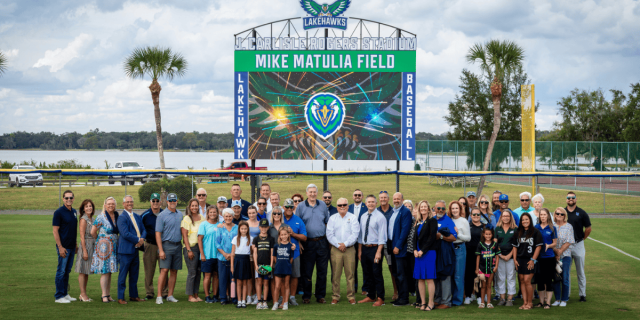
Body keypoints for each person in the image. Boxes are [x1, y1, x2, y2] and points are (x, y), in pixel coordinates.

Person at [295, 184, 330, 304]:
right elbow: (297, 225)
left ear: (317, 193)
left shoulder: (323, 205)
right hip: (307, 243)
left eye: (314, 192)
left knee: (322, 271)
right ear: (307, 193)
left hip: (321, 242)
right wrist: (299, 241)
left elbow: (327, 222)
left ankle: (320, 295)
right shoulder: (301, 206)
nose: (312, 194)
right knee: (307, 271)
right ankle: (307, 295)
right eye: (310, 192)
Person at [326, 197, 360, 305]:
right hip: (336, 249)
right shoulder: (332, 218)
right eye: (340, 205)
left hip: (349, 249)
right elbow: (329, 234)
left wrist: (345, 244)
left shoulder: (353, 218)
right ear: (337, 207)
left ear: (347, 206)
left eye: (344, 205)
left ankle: (351, 296)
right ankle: (335, 296)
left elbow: (355, 234)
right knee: (336, 274)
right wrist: (338, 245)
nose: (342, 207)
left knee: (350, 274)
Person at [357, 195, 387, 307]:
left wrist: (379, 252)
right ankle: (370, 296)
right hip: (364, 248)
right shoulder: (363, 216)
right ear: (366, 203)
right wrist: (360, 251)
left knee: (377, 273)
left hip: (375, 248)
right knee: (367, 273)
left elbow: (382, 236)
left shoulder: (380, 217)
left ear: (376, 203)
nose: (370, 204)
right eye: (368, 202)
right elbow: (360, 235)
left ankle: (380, 298)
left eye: (373, 202)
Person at [116, 195, 146, 304]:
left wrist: (142, 238)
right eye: (127, 202)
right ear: (123, 204)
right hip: (125, 252)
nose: (130, 203)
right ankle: (121, 297)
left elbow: (143, 229)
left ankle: (134, 296)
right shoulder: (122, 217)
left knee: (134, 275)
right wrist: (138, 239)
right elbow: (125, 234)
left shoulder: (137, 217)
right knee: (123, 275)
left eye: (131, 202)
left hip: (135, 251)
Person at [510, 213, 543, 310]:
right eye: (523, 220)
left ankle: (530, 302)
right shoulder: (518, 232)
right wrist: (515, 259)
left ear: (530, 220)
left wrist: (533, 260)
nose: (525, 221)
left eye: (526, 219)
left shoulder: (535, 232)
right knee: (521, 281)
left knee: (527, 280)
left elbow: (538, 246)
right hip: (520, 259)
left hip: (530, 260)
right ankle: (524, 303)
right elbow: (515, 247)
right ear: (520, 221)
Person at [154, 193, 182, 304]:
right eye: (170, 201)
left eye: (174, 200)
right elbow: (158, 234)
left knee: (174, 271)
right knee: (164, 270)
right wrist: (161, 250)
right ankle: (159, 296)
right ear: (167, 202)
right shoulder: (162, 215)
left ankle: (170, 295)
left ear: (177, 201)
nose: (172, 202)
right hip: (166, 245)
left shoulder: (180, 214)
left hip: (178, 245)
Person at [91, 196, 119, 303]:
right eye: (109, 204)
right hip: (104, 248)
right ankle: (103, 295)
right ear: (105, 205)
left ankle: (108, 294)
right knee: (104, 271)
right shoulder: (101, 217)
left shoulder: (116, 216)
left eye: (112, 204)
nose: (111, 205)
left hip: (113, 246)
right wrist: (100, 240)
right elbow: (93, 231)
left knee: (110, 271)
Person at [53, 190, 79, 304]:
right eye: (67, 198)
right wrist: (60, 247)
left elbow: (73, 230)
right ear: (63, 199)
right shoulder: (59, 212)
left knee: (67, 271)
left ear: (73, 198)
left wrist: (76, 244)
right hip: (63, 247)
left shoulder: (74, 211)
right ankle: (59, 296)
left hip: (72, 246)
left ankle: (65, 293)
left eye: (71, 198)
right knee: (61, 271)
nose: (69, 200)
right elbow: (55, 230)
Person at [141, 193, 168, 300]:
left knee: (164, 269)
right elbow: (140, 229)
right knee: (149, 270)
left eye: (157, 201)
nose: (155, 203)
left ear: (160, 202)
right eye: (153, 201)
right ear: (150, 202)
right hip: (150, 245)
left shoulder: (165, 214)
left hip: (163, 245)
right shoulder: (145, 215)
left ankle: (165, 292)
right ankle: (149, 292)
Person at [411, 200, 437, 311]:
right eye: (421, 207)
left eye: (425, 207)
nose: (423, 208)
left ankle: (431, 303)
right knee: (420, 279)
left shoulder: (432, 221)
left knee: (429, 279)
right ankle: (422, 303)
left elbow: (432, 238)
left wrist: (422, 250)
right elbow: (414, 238)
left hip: (429, 253)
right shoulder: (418, 222)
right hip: (418, 255)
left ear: (428, 208)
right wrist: (414, 250)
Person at [565, 191, 591, 302]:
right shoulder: (562, 212)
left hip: (578, 244)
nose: (571, 199)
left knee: (580, 270)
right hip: (566, 246)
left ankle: (582, 295)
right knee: (566, 271)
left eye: (573, 197)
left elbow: (588, 228)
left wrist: (581, 239)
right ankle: (567, 294)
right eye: (568, 197)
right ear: (566, 199)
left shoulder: (582, 213)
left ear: (576, 199)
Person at [388, 192, 413, 306]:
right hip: (392, 246)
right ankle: (400, 296)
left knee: (402, 274)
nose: (396, 200)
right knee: (396, 273)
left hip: (399, 248)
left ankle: (404, 299)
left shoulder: (405, 212)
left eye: (398, 199)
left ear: (402, 199)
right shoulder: (394, 211)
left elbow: (405, 230)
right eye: (394, 199)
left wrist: (398, 246)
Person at [433, 200, 458, 309]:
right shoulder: (432, 220)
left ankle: (446, 301)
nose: (441, 210)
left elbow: (454, 237)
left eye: (443, 208)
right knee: (436, 275)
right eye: (438, 208)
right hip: (435, 252)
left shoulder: (448, 221)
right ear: (434, 208)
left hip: (446, 252)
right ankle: (437, 299)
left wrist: (441, 237)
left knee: (445, 275)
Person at [283, 199, 307, 306]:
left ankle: (292, 297)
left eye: (291, 207)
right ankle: (282, 297)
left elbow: (304, 237)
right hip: (281, 253)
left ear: (293, 208)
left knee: (295, 275)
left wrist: (293, 234)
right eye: (287, 207)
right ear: (283, 207)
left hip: (295, 252)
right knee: (281, 275)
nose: (289, 209)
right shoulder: (279, 217)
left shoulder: (298, 220)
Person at [377, 191, 398, 301]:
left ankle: (396, 292)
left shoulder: (393, 211)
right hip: (378, 245)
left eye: (385, 197)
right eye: (381, 198)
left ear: (388, 199)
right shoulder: (376, 211)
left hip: (390, 244)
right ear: (379, 199)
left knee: (392, 269)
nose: (383, 199)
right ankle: (379, 294)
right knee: (377, 269)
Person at [534, 208, 557, 309]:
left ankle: (548, 302)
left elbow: (555, 243)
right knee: (540, 280)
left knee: (548, 280)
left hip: (549, 258)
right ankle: (541, 302)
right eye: (541, 215)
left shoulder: (552, 228)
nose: (542, 216)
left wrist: (549, 246)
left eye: (544, 215)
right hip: (539, 258)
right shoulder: (536, 227)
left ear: (548, 216)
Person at [494, 209, 517, 306]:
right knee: (500, 277)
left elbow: (516, 245)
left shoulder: (515, 229)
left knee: (511, 277)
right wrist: (501, 255)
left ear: (510, 217)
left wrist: (509, 255)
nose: (506, 218)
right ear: (501, 217)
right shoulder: (497, 228)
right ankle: (502, 298)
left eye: (508, 216)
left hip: (511, 257)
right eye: (504, 216)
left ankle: (510, 299)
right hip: (500, 257)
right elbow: (495, 244)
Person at [182, 198, 204, 302]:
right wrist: (189, 250)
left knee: (198, 272)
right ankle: (190, 296)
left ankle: (196, 294)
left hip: (200, 248)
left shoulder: (202, 218)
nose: (194, 207)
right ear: (189, 207)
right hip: (191, 248)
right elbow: (185, 236)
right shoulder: (186, 218)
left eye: (196, 205)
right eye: (192, 206)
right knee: (192, 272)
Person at [552, 207, 575, 307]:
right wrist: (556, 252)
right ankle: (557, 299)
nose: (559, 216)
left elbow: (569, 241)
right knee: (556, 278)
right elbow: (550, 241)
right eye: (557, 214)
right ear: (555, 215)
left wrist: (560, 252)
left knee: (565, 277)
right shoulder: (552, 226)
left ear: (565, 216)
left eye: (562, 214)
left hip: (565, 256)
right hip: (554, 256)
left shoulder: (569, 226)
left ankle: (564, 299)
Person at [198, 206, 220, 303]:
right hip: (207, 255)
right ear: (208, 213)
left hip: (218, 255)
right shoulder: (204, 224)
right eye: (210, 212)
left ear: (217, 213)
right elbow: (199, 240)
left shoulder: (220, 225)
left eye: (214, 212)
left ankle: (215, 295)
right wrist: (202, 254)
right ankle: (207, 296)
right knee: (207, 276)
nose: (212, 214)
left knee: (216, 276)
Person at [450, 200, 470, 306]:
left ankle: (457, 300)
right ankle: (451, 297)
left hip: (460, 248)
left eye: (456, 208)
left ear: (460, 209)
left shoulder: (464, 221)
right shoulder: (449, 220)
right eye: (453, 208)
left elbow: (468, 238)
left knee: (458, 275)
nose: (454, 210)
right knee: (451, 274)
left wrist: (458, 234)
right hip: (450, 249)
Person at [216, 208, 238, 305]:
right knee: (222, 278)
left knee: (233, 278)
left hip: (234, 256)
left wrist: (232, 254)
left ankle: (233, 297)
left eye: (230, 216)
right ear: (223, 217)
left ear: (233, 217)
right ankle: (223, 298)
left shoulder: (237, 228)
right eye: (226, 216)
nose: (228, 218)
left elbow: (239, 241)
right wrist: (225, 254)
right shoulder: (220, 227)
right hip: (222, 257)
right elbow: (217, 243)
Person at [75, 199, 96, 302]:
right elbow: (82, 237)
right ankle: (83, 294)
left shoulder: (92, 219)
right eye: (86, 206)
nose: (89, 208)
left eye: (90, 206)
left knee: (87, 271)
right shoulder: (83, 219)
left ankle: (82, 294)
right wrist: (84, 251)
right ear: (83, 209)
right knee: (82, 271)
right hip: (86, 246)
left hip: (92, 245)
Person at [253, 218, 275, 310]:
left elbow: (272, 253)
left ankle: (265, 301)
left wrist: (270, 265)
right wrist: (255, 265)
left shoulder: (271, 239)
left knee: (266, 283)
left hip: (267, 265)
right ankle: (259, 301)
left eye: (265, 227)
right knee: (259, 282)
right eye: (262, 226)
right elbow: (254, 253)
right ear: (259, 227)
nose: (263, 228)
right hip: (259, 264)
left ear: (268, 227)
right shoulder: (256, 239)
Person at [464, 207, 484, 305]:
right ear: (471, 216)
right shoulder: (467, 226)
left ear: (480, 216)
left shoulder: (484, 227)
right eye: (474, 214)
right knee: (469, 275)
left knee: (479, 276)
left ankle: (479, 296)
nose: (476, 216)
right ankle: (468, 295)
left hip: (481, 255)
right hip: (469, 254)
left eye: (478, 214)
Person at [476, 228, 500, 309]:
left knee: (489, 285)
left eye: (489, 234)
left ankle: (489, 303)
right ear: (483, 234)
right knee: (483, 286)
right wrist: (477, 268)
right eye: (486, 234)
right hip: (482, 269)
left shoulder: (495, 244)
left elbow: (497, 256)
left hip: (491, 269)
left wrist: (496, 266)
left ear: (492, 235)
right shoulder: (480, 244)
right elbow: (478, 257)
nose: (488, 236)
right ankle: (482, 303)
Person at [272, 225, 295, 311]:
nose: (284, 236)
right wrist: (278, 263)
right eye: (282, 235)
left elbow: (291, 258)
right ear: (279, 236)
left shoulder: (291, 246)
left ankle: (285, 303)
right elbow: (274, 257)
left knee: (286, 285)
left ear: (288, 235)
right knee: (277, 286)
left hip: (287, 268)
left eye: (285, 234)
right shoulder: (276, 246)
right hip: (278, 268)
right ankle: (275, 303)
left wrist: (288, 264)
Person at [231, 221, 254, 308]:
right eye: (242, 229)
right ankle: (239, 301)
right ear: (239, 229)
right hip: (237, 260)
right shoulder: (235, 238)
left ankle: (244, 301)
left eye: (245, 229)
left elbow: (251, 253)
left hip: (246, 260)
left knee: (245, 282)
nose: (243, 230)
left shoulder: (250, 239)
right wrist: (232, 266)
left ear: (248, 229)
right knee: (239, 282)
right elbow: (232, 253)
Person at [349, 189, 367, 295]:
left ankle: (365, 287)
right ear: (353, 196)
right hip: (352, 241)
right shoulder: (349, 207)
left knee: (365, 266)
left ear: (362, 196)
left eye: (359, 195)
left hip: (363, 241)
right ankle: (354, 287)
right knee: (352, 266)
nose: (357, 196)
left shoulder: (366, 207)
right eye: (355, 195)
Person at [246, 205, 260, 304]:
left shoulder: (260, 224)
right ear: (248, 214)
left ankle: (256, 295)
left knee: (256, 275)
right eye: (250, 213)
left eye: (253, 212)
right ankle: (249, 296)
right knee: (249, 275)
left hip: (258, 252)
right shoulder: (245, 224)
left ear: (256, 213)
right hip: (246, 251)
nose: (252, 215)